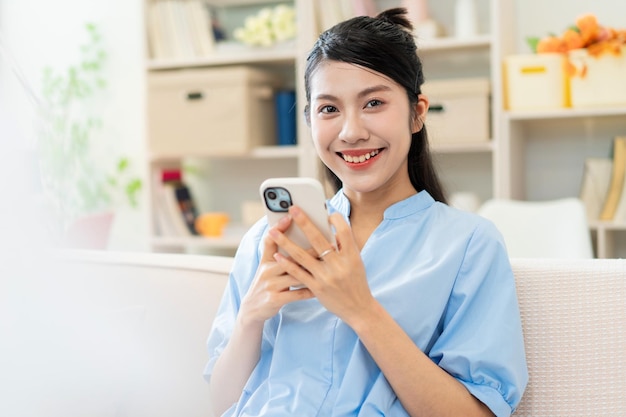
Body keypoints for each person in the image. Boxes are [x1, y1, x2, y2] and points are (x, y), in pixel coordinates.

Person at [204, 8, 528, 417]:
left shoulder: (467, 245)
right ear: (309, 120)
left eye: (373, 102)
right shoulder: (266, 241)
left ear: (417, 112)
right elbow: (219, 402)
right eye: (328, 109)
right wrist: (251, 317)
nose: (351, 131)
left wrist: (361, 310)